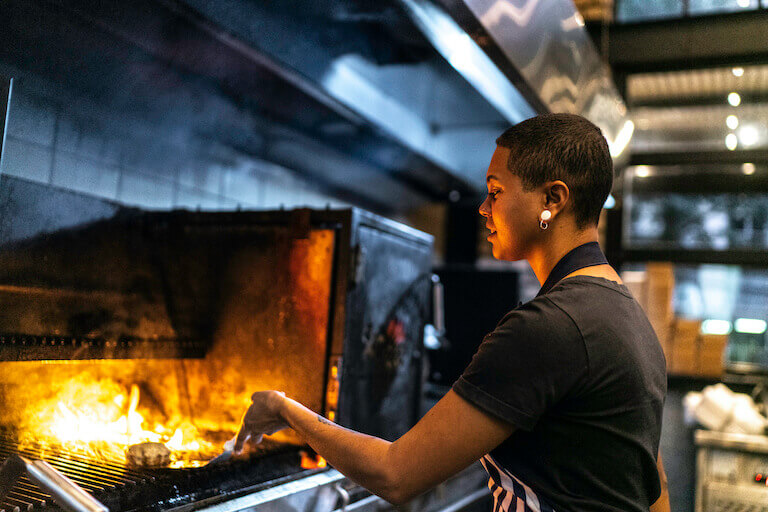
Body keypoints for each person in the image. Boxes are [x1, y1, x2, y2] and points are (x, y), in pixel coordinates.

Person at [234, 113, 670, 512]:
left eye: (496, 191)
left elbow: (396, 474)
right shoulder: (630, 320)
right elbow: (656, 490)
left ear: (553, 199)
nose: (484, 208)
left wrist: (286, 409)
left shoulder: (549, 327)